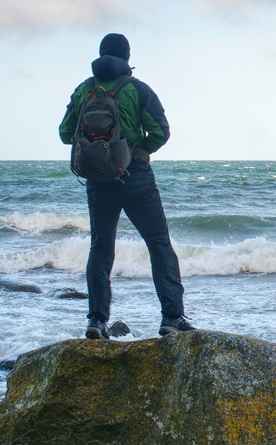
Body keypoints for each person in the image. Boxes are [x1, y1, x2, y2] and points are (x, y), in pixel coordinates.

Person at [59, 33, 195, 339]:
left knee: (101, 247)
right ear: (127, 58)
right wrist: (139, 149)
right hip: (136, 176)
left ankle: (96, 321)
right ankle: (172, 318)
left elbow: (65, 133)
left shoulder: (84, 90)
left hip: (97, 179)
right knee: (158, 244)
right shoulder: (137, 89)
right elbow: (161, 131)